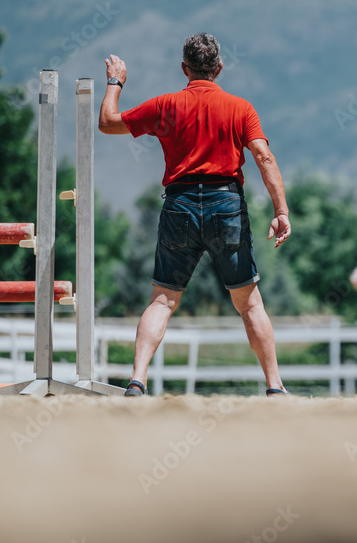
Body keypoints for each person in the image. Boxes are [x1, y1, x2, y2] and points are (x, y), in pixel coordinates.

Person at [98, 32, 291, 397]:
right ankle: (274, 387)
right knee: (249, 303)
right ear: (219, 68)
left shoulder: (165, 105)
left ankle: (137, 381)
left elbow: (107, 122)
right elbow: (264, 157)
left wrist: (116, 82)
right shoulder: (241, 108)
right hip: (226, 205)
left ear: (184, 68)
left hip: (180, 204)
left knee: (163, 299)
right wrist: (280, 211)